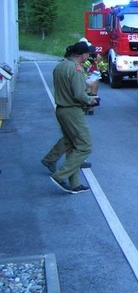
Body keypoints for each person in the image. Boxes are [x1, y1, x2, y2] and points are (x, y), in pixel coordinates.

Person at [44, 41, 97, 194]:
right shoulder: (75, 69)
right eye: (87, 54)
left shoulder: (60, 66)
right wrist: (91, 100)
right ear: (83, 55)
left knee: (71, 144)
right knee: (85, 146)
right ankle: (60, 176)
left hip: (61, 109)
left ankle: (74, 184)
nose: (88, 56)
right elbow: (79, 94)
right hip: (72, 111)